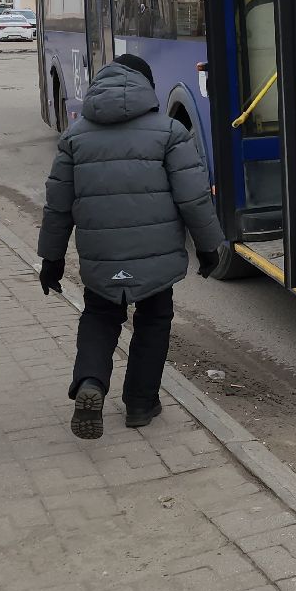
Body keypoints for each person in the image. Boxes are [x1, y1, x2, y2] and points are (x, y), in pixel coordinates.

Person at [37, 53, 226, 439]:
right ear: (146, 87)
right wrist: (210, 249)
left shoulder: (74, 137)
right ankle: (141, 403)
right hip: (156, 261)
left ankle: (91, 382)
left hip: (101, 257)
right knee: (154, 321)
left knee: (99, 317)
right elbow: (193, 199)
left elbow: (57, 205)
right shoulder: (170, 132)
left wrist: (51, 259)